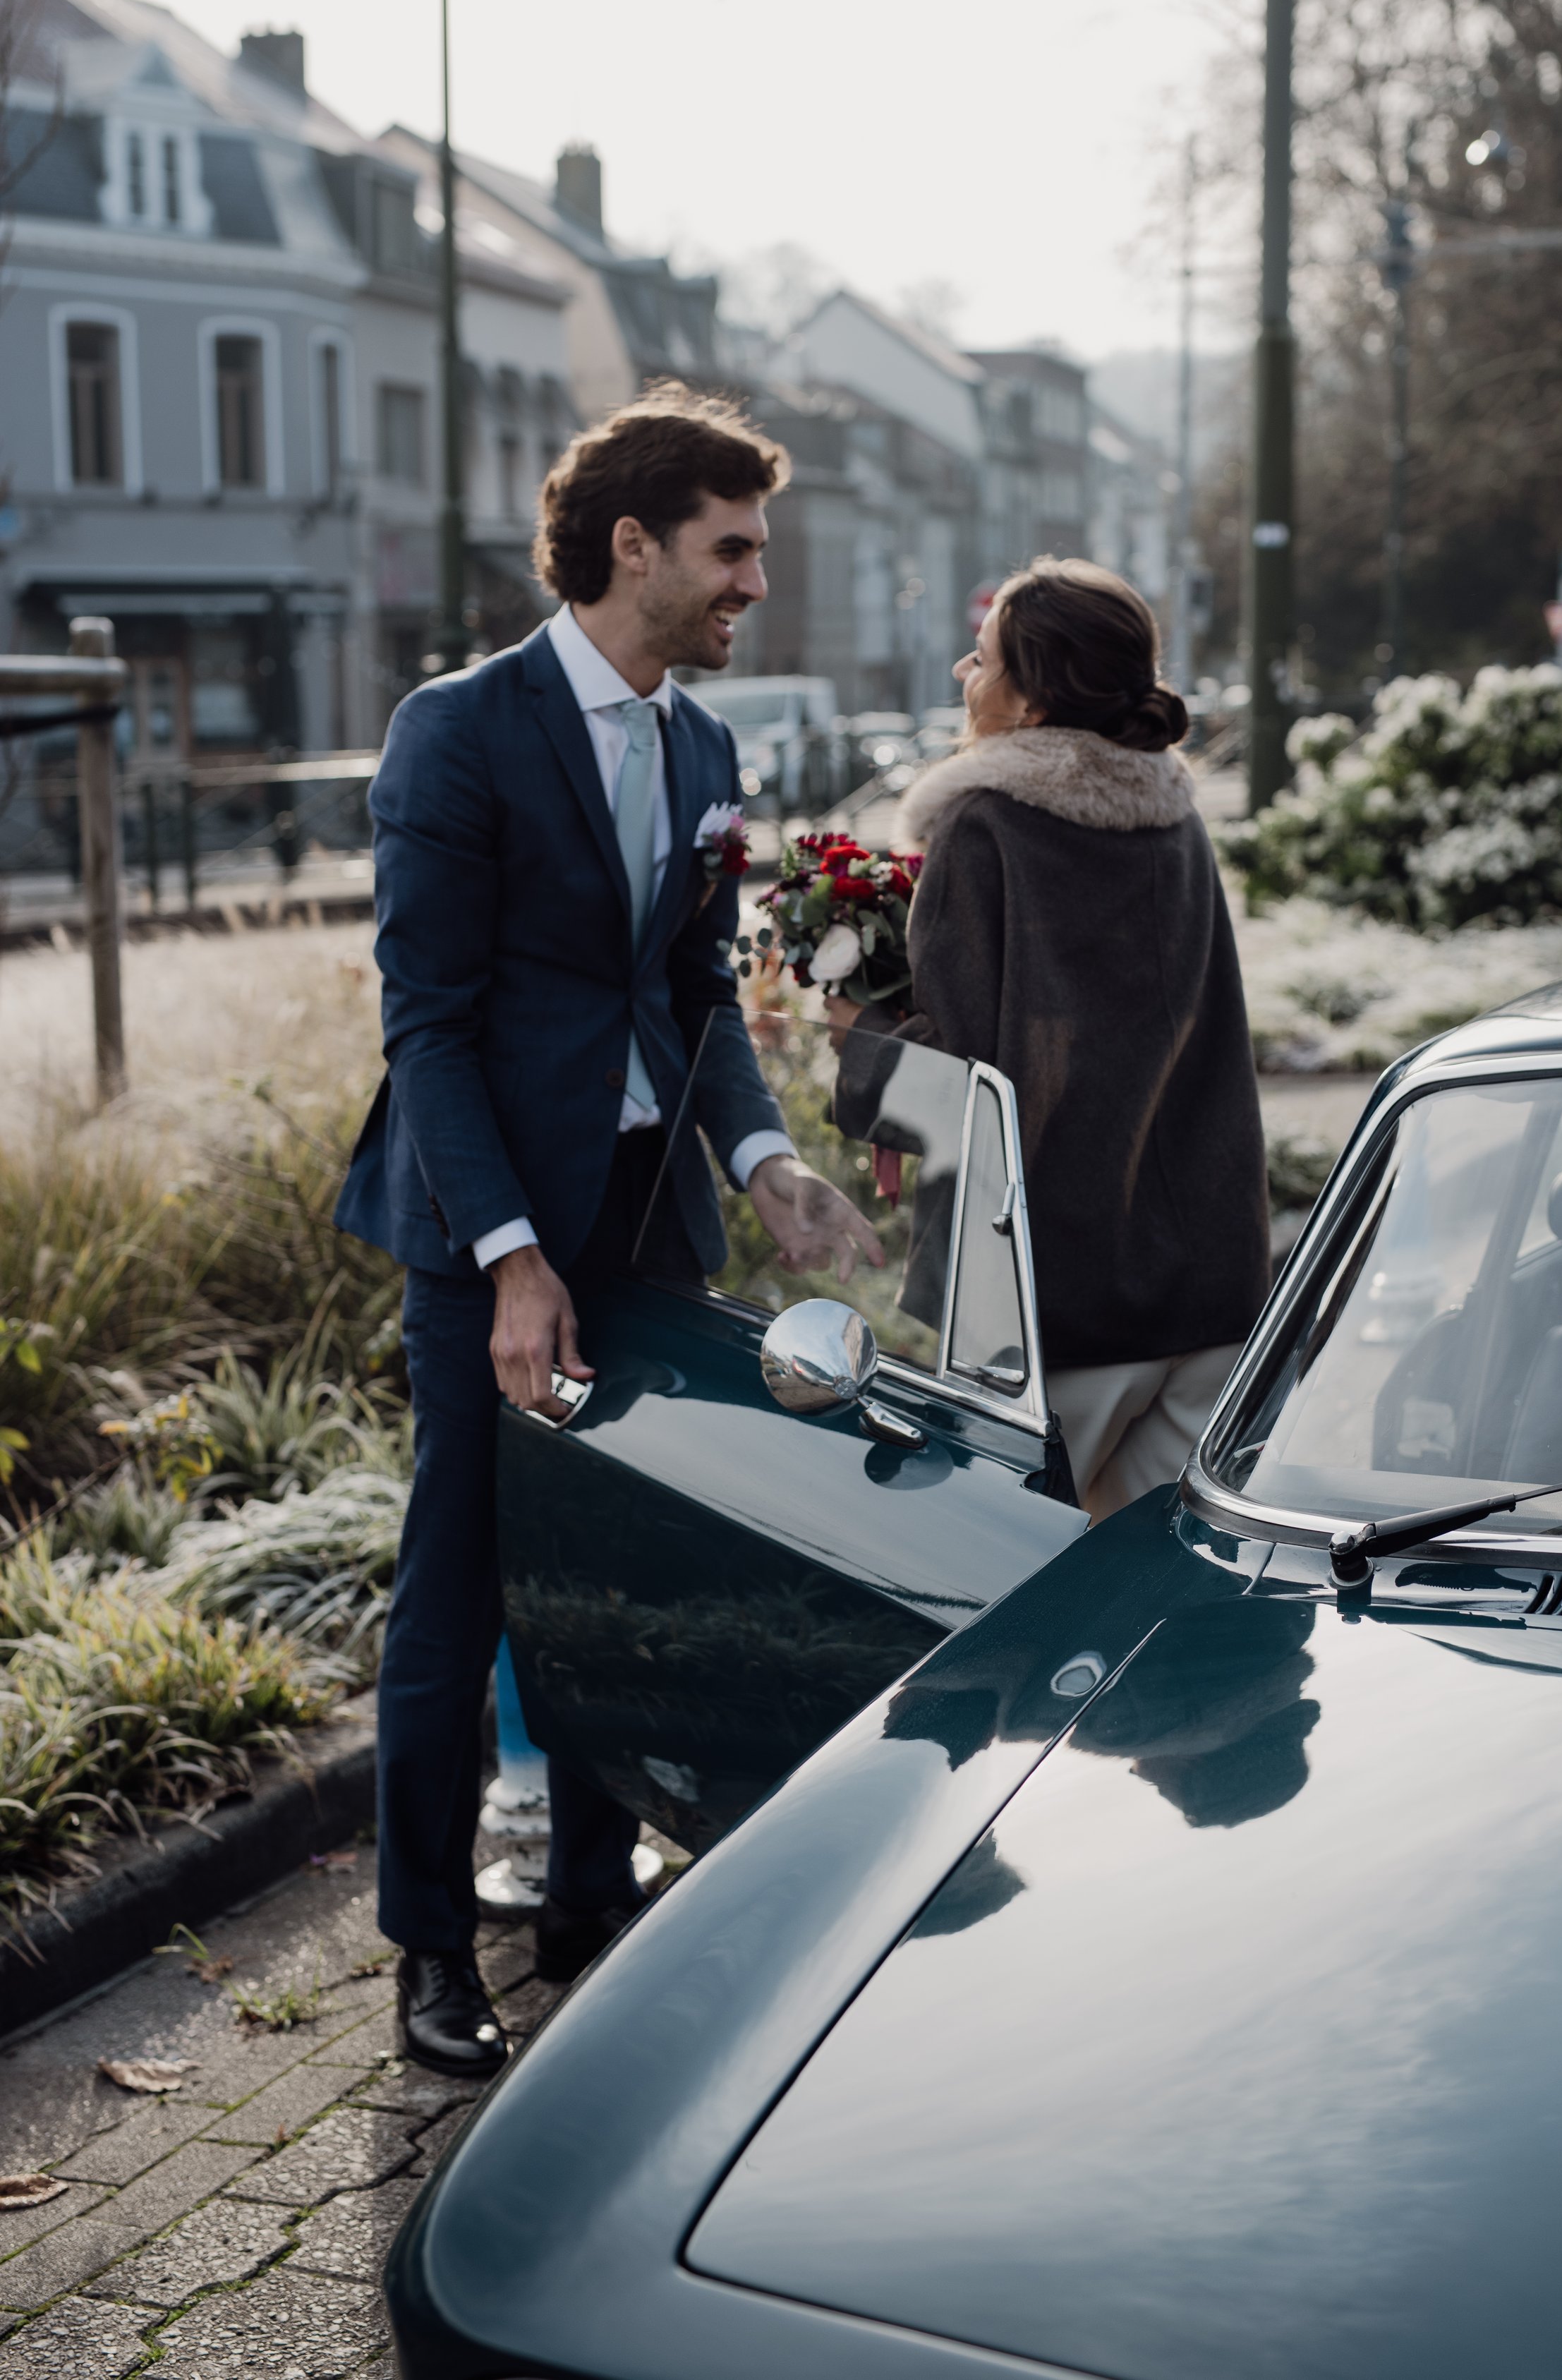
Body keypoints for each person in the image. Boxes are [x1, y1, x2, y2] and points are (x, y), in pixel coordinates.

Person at [337, 382, 879, 2079]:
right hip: (491, 1236)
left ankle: (587, 1890)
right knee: (460, 1589)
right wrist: (506, 1253)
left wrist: (764, 1158)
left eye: (760, 553)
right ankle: (431, 1944)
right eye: (732, 551)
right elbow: (425, 1017)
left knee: (620, 1563)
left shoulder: (705, 747)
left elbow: (693, 988)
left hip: (650, 1229)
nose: (753, 585)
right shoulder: (459, 727)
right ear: (629, 544)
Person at [830, 556, 1267, 1521]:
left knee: (1014, 1608)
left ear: (1031, 703)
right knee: (1168, 1612)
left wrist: (856, 1037)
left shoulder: (985, 829)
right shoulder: (1177, 820)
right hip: (1212, 1288)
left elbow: (961, 1087)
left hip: (1050, 1303)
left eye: (982, 658)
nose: (962, 673)